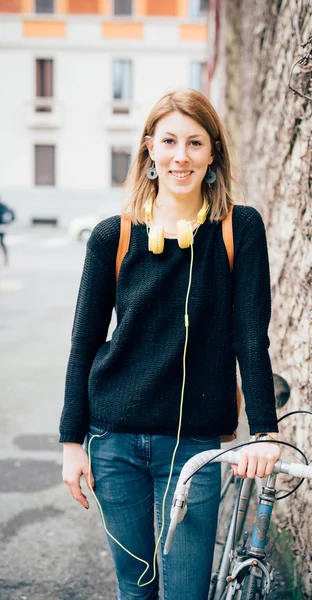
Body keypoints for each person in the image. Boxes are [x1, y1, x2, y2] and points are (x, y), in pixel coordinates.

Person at [60, 89, 280, 600]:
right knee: (135, 591)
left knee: (185, 593)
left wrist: (265, 430)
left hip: (193, 449)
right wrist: (73, 443)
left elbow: (251, 334)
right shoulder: (112, 236)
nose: (181, 155)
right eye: (169, 141)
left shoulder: (238, 228)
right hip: (113, 441)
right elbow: (84, 343)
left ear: (213, 154)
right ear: (150, 151)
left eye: (195, 143)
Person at [0, 199, 15, 266]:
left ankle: (5, 259)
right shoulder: (4, 206)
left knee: (2, 242)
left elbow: (10, 216)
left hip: (1, 228)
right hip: (2, 227)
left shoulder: (3, 207)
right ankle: (5, 259)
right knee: (2, 243)